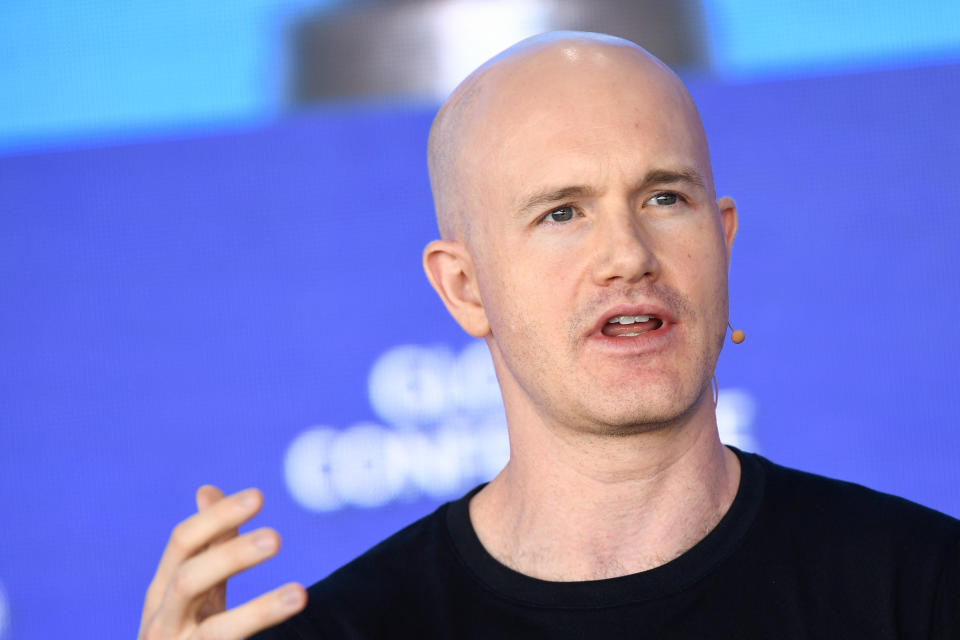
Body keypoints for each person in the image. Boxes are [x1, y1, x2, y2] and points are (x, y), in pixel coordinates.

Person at [138, 31, 959, 639]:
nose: (628, 255)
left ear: (723, 236)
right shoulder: (348, 632)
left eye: (665, 198)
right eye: (562, 212)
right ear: (464, 289)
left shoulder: (923, 589)